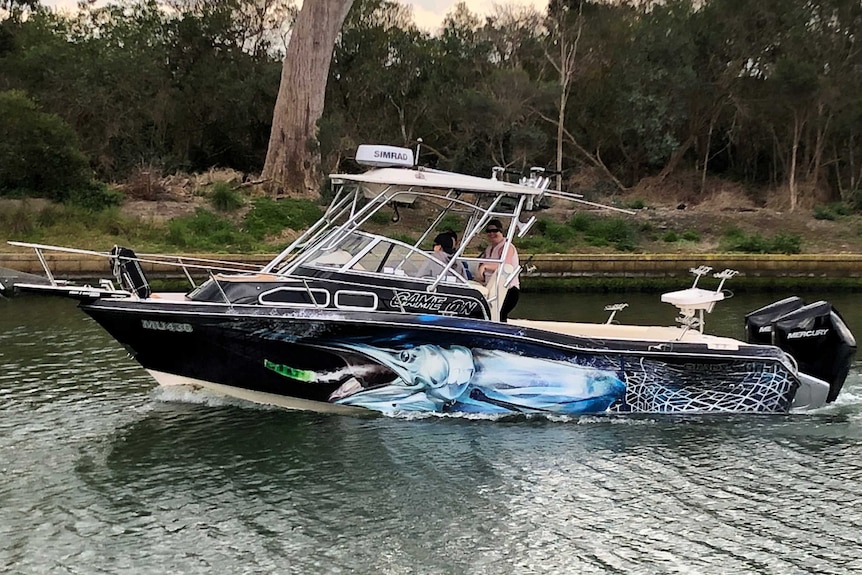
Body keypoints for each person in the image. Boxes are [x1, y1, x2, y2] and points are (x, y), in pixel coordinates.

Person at [477, 219, 520, 322]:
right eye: (488, 231)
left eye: (495, 231)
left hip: (507, 289)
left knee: (500, 315)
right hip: (492, 289)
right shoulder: (489, 248)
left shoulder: (507, 246)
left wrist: (485, 267)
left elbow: (507, 266)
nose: (491, 234)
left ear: (501, 231)